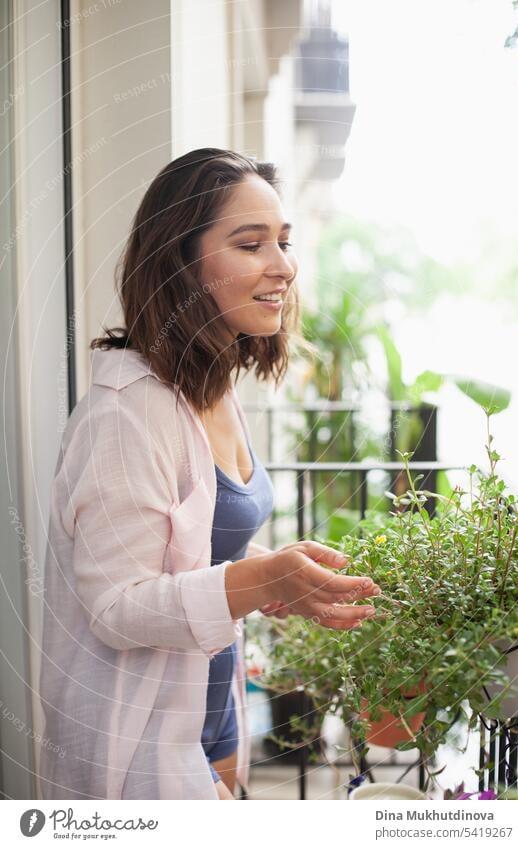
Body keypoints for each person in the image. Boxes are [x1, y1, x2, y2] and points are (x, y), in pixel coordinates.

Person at [38, 148, 381, 801]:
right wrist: (257, 578)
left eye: (283, 241)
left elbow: (193, 547)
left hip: (214, 721)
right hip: (140, 743)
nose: (282, 265)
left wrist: (274, 570)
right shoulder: (126, 415)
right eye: (250, 244)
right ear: (180, 263)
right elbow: (114, 605)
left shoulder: (210, 387)